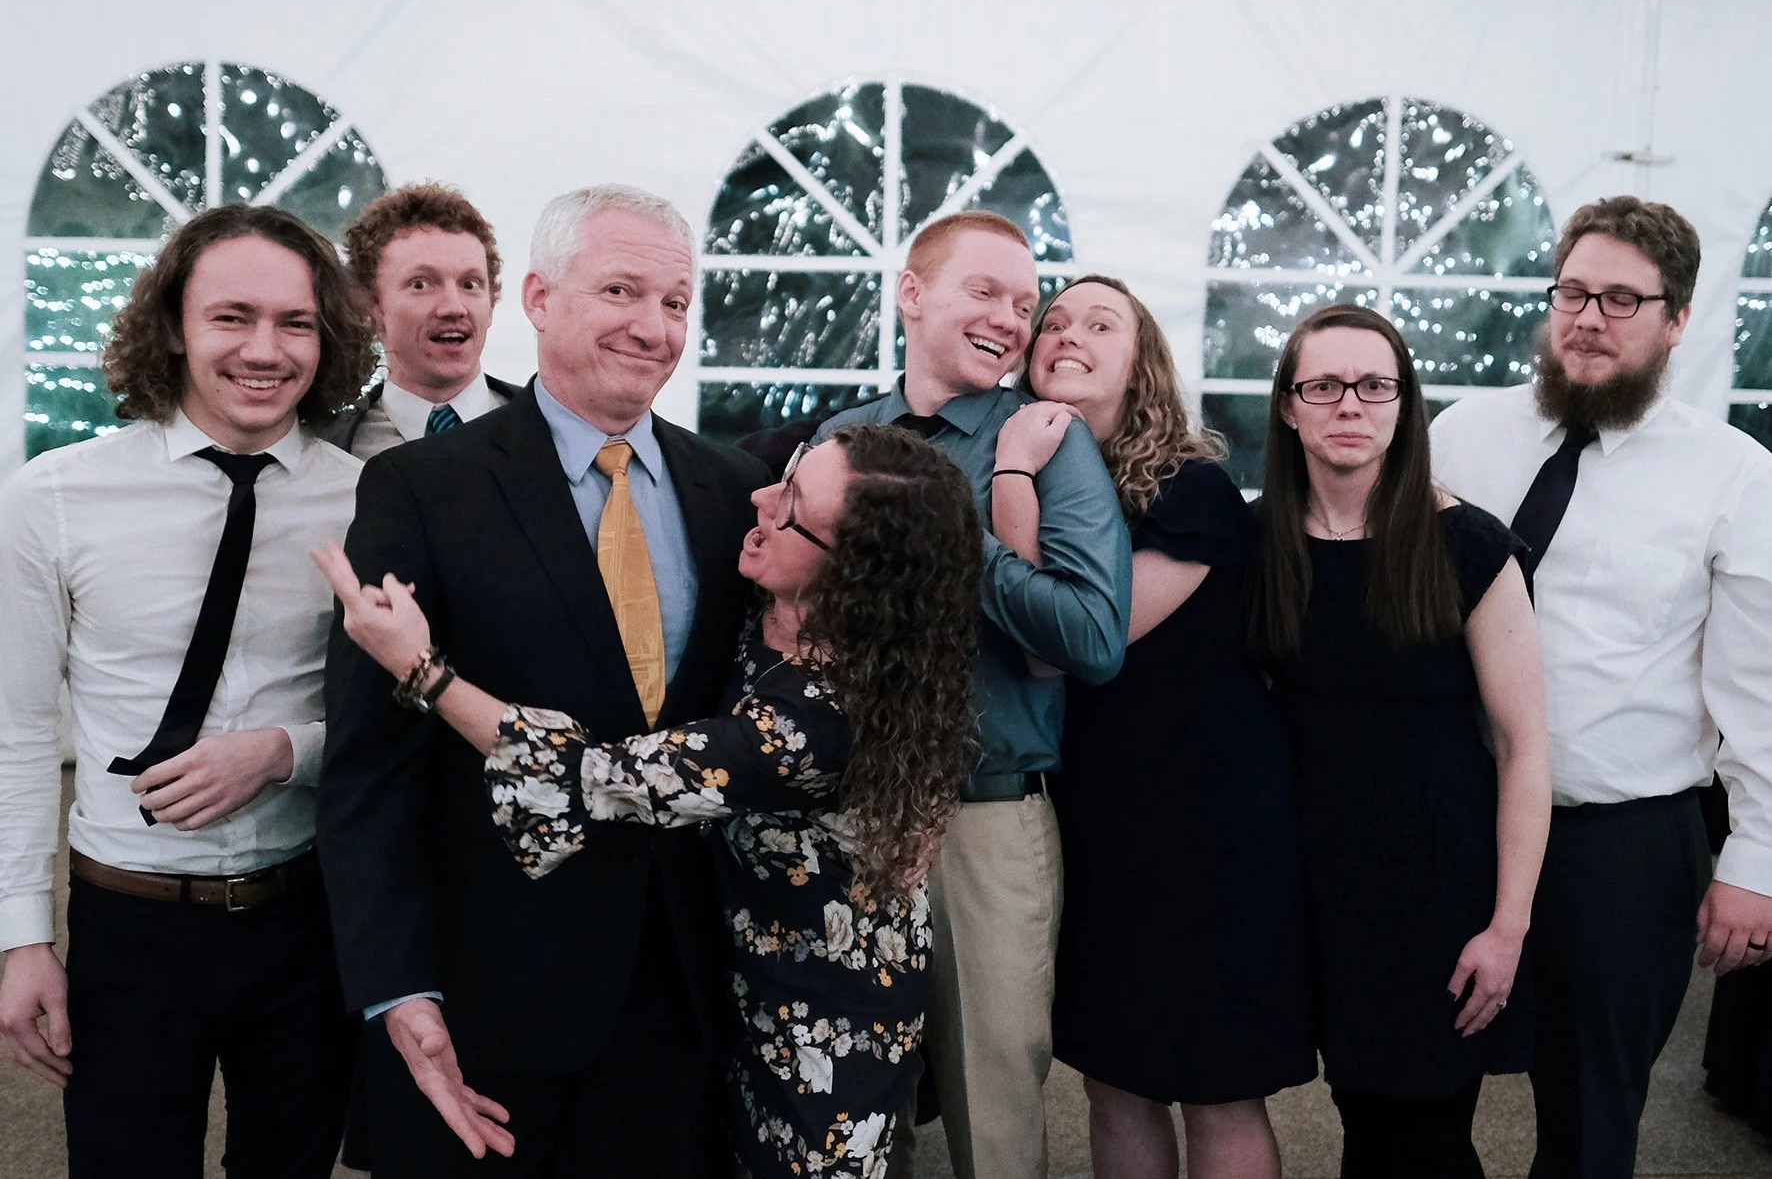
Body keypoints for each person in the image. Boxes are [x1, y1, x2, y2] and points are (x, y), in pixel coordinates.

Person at [316, 422, 980, 1177]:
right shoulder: (778, 612)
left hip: (823, 1029)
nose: (759, 497)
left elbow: (601, 775)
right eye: (788, 473)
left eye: (790, 501)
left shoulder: (818, 719)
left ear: (853, 572)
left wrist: (422, 669)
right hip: (730, 995)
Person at [317, 184, 770, 1177]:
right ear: (537, 297)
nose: (653, 327)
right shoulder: (421, 488)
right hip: (491, 986)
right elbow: (369, 770)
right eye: (621, 289)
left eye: (676, 301)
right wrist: (397, 985)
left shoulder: (730, 490)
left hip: (685, 984)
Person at [0, 204, 376, 1177]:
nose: (265, 348)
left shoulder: (372, 497)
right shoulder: (53, 497)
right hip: (128, 923)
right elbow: (18, 728)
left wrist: (284, 749)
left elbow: (403, 712)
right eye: (231, 316)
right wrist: (22, 939)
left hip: (310, 915)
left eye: (295, 322)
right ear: (173, 325)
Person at [1431, 196, 1772, 1178]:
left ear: (1675, 320)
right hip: (1451, 817)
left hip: (1618, 843)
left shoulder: (1733, 476)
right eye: (1573, 292)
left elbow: (1754, 681)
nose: (1587, 317)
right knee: (1415, 1093)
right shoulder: (1461, 435)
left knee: (1589, 1126)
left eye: (1621, 299)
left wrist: (1754, 853)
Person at [818, 211, 1131, 1178]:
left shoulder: (1042, 440)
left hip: (988, 824)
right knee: (853, 1102)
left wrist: (958, 525)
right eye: (985, 292)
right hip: (851, 815)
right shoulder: (838, 439)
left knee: (992, 1122)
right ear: (911, 294)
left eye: (1025, 304)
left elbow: (1092, 637)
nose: (1011, 319)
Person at [989, 274, 1315, 1179]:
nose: (1066, 332)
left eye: (1101, 322)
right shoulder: (1024, 471)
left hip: (1211, 820)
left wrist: (1014, 471)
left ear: (1143, 366)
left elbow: (1070, 642)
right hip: (1099, 816)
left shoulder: (1193, 488)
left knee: (1218, 1084)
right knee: (1116, 1078)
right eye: (1052, 321)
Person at [1254, 303, 1551, 1177]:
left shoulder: (1469, 543)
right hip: (1319, 884)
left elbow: (1524, 744)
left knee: (1427, 1135)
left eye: (1374, 384)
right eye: (1325, 385)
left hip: (1438, 883)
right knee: (1361, 1119)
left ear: (1403, 402)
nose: (1351, 404)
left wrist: (1508, 925)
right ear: (1289, 406)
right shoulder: (1259, 538)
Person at [322, 182, 518, 457]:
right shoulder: (329, 451)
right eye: (421, 285)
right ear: (369, 305)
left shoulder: (550, 429)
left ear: (492, 304)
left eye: (470, 284)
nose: (453, 307)